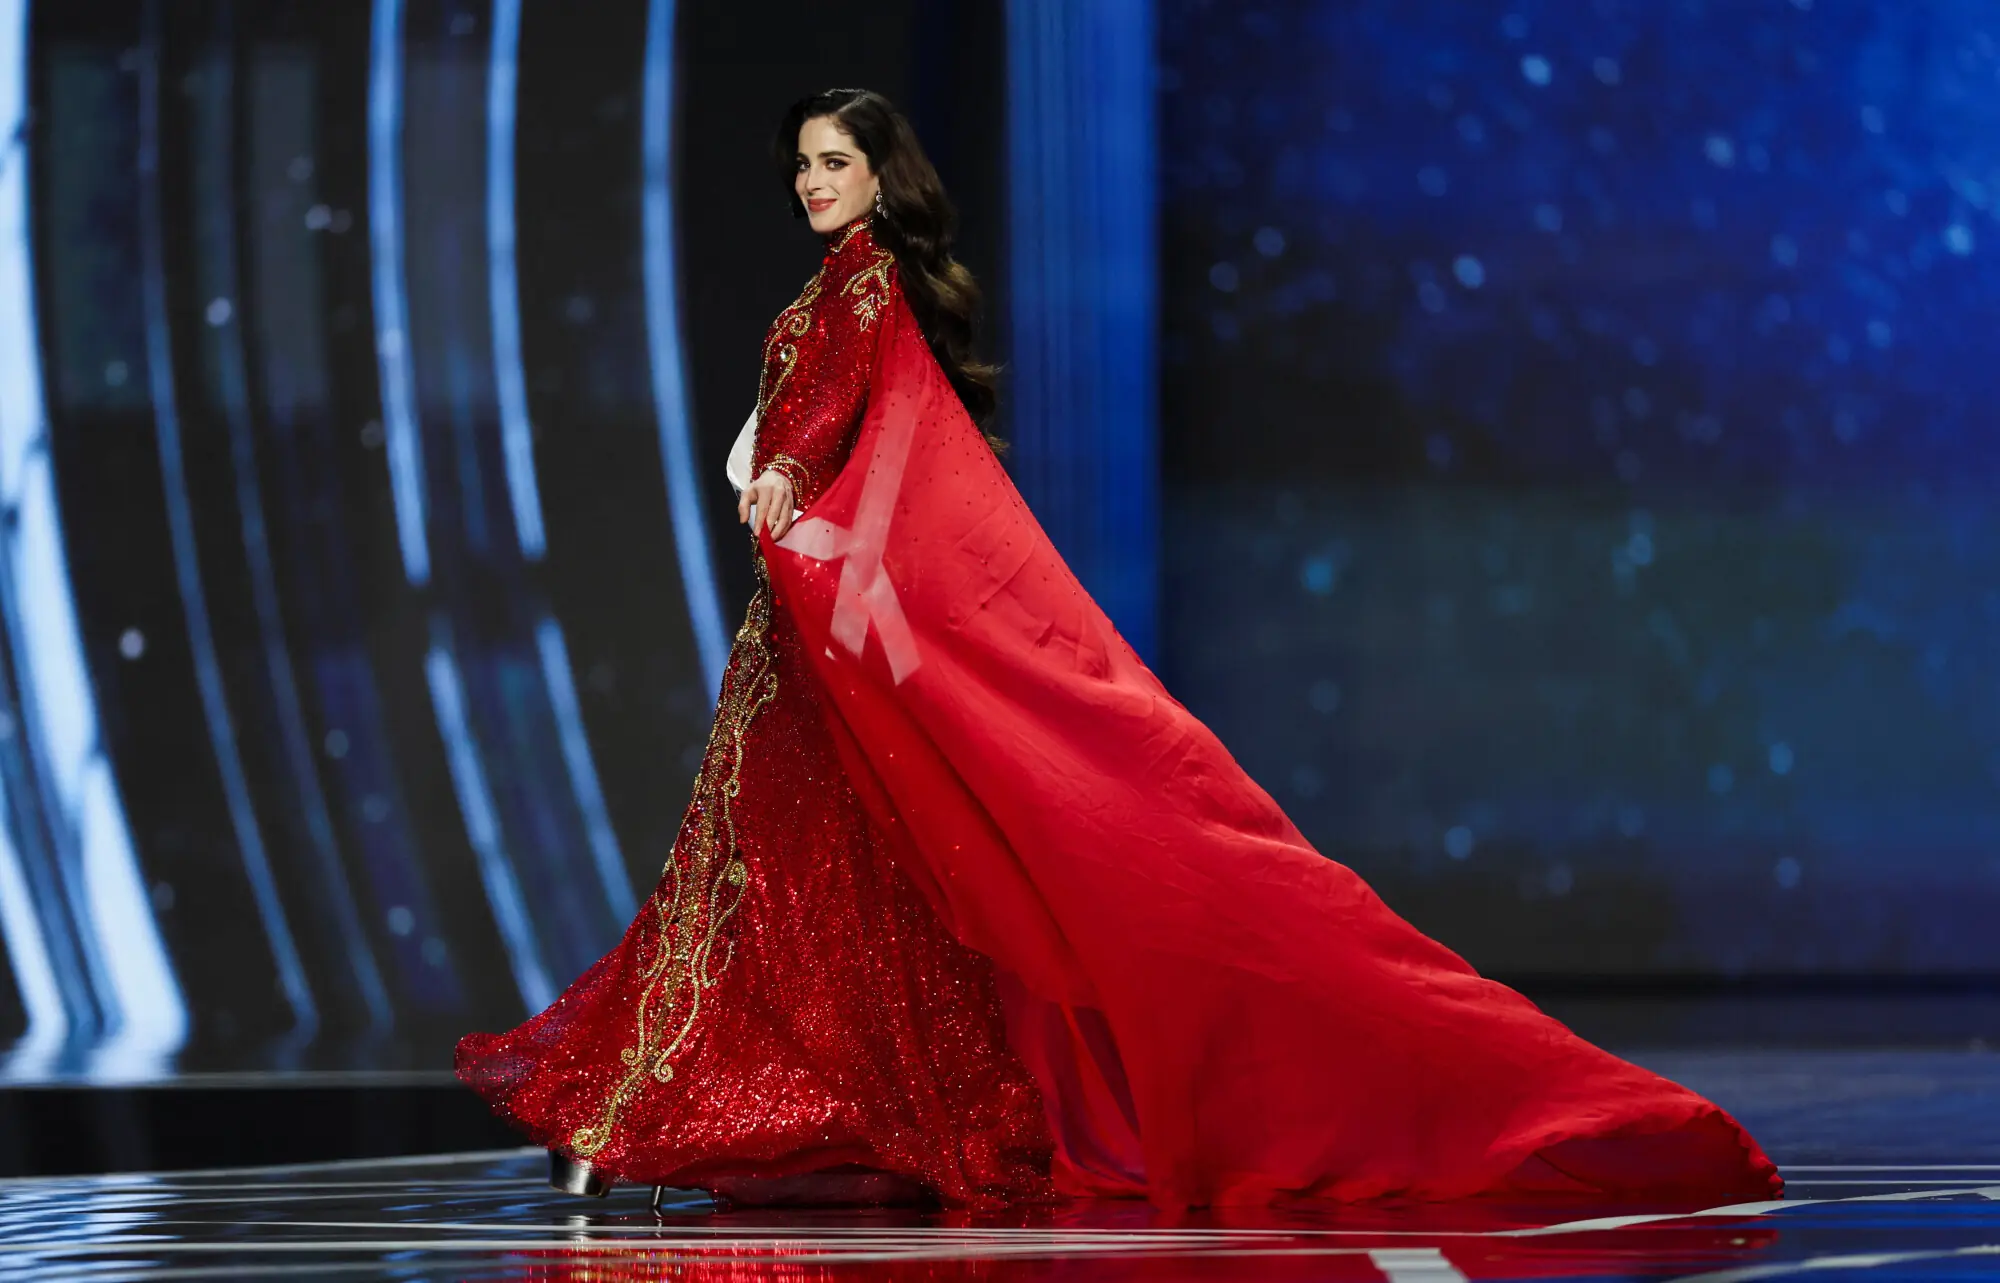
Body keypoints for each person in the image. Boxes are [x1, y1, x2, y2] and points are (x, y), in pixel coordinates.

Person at [455, 88, 1782, 1212]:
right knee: (811, 887)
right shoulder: (833, 292)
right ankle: (682, 1107)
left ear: (880, 177)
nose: (812, 182)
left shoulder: (867, 293)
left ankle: (634, 1109)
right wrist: (798, 490)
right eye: (802, 164)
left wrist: (792, 474)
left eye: (836, 163)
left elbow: (840, 420)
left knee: (795, 882)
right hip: (808, 657)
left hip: (829, 649)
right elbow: (833, 424)